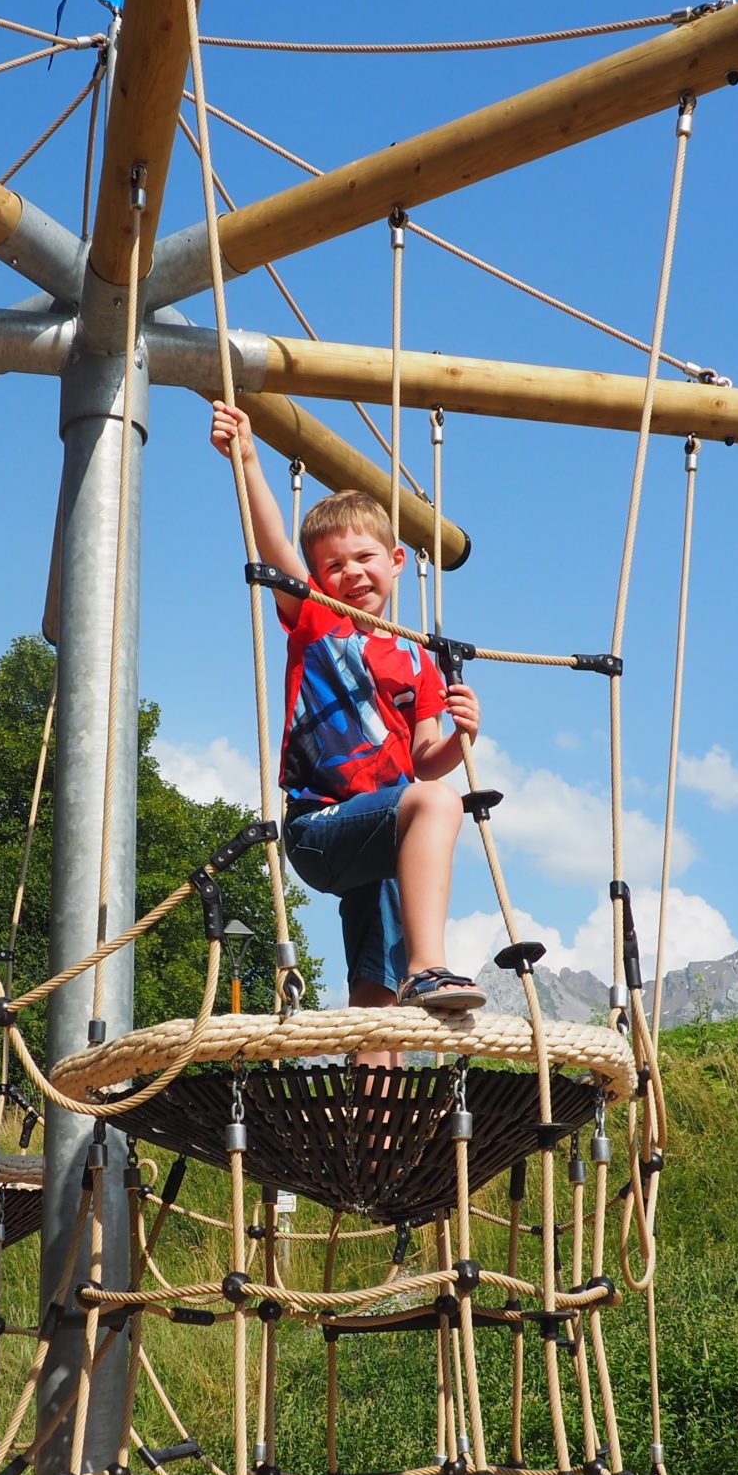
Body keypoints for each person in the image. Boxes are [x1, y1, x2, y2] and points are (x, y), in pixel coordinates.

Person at [211, 400, 488, 1019]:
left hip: (385, 834)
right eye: (333, 565)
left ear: (395, 563)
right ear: (316, 576)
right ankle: (429, 967)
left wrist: (461, 735)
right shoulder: (316, 621)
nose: (351, 573)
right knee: (438, 806)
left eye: (365, 558)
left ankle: (377, 1109)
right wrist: (249, 459)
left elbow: (425, 761)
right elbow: (273, 542)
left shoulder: (420, 660)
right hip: (321, 828)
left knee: (376, 996)